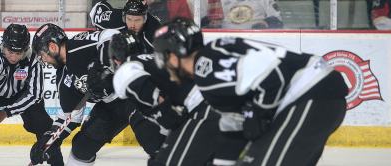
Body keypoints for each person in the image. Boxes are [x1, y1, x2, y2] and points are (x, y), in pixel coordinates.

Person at [152, 17, 348, 166]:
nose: (167, 70)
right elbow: (233, 129)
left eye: (164, 59)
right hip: (320, 96)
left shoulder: (206, 66)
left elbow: (274, 73)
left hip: (313, 95)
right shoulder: (212, 65)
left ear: (173, 56)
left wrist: (259, 111)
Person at [30, 23, 166, 166]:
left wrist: (99, 66)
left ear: (52, 47)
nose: (44, 60)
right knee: (81, 147)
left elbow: (112, 36)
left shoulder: (78, 44)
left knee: (150, 136)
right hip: (109, 106)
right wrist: (50, 139)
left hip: (133, 93)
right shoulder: (62, 77)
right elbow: (71, 116)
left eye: (42, 55)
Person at [112, 29, 221, 166]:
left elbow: (146, 92)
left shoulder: (126, 67)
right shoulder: (156, 60)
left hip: (203, 112)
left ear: (116, 60)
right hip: (220, 107)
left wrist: (167, 114)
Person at [0, 23, 64, 166]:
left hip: (21, 95)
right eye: (9, 51)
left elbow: (35, 95)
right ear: (3, 45)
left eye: (18, 53)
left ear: (25, 50)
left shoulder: (33, 58)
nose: (12, 57)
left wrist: (6, 112)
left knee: (43, 121)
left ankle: (57, 164)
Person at [206, 0, 283, 29]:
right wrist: (210, 23)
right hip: (225, 38)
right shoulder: (217, 1)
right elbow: (202, 21)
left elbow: (278, 21)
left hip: (256, 37)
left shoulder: (263, 1)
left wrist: (265, 23)